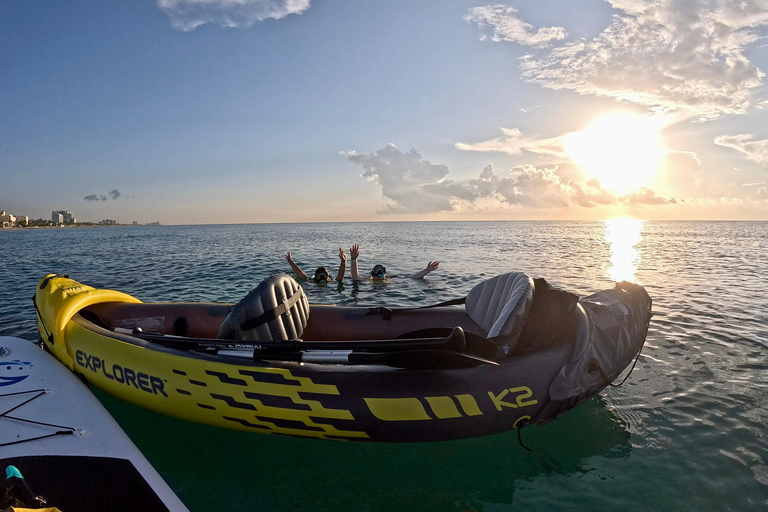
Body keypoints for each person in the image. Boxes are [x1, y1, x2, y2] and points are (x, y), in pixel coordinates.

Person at [349, 243, 439, 282]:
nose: (379, 275)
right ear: (372, 275)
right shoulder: (368, 281)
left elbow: (414, 277)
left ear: (385, 274)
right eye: (377, 272)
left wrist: (427, 270)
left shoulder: (390, 280)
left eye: (381, 272)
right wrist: (353, 259)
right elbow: (355, 276)